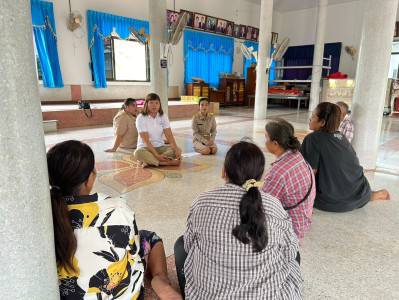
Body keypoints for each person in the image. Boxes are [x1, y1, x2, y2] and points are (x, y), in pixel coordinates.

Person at [47, 140, 182, 300]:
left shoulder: (43, 217)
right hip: (122, 296)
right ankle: (160, 279)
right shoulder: (115, 209)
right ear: (88, 180)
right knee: (149, 238)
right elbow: (134, 252)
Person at [174, 141, 302, 299]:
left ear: (223, 172)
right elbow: (290, 251)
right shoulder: (274, 206)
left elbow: (188, 245)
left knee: (180, 245)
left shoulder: (202, 202)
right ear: (260, 175)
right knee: (295, 256)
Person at [301, 102, 390, 212]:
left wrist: (304, 201)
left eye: (313, 116)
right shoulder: (341, 136)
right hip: (361, 192)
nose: (310, 119)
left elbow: (309, 174)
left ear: (322, 122)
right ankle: (373, 195)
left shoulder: (312, 138)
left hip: (333, 201)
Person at [260, 118, 315, 241]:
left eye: (266, 137)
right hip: (302, 222)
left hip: (289, 233)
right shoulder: (297, 156)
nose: (264, 141)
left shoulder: (279, 171)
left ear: (275, 144)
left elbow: (260, 205)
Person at [134, 93, 182, 168]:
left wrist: (176, 150)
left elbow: (169, 135)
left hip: (160, 147)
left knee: (178, 149)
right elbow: (146, 140)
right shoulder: (141, 118)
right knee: (138, 153)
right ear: (146, 104)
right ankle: (165, 163)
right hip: (145, 148)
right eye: (151, 102)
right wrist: (156, 155)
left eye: (157, 103)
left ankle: (150, 162)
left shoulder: (163, 116)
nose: (154, 105)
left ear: (160, 105)